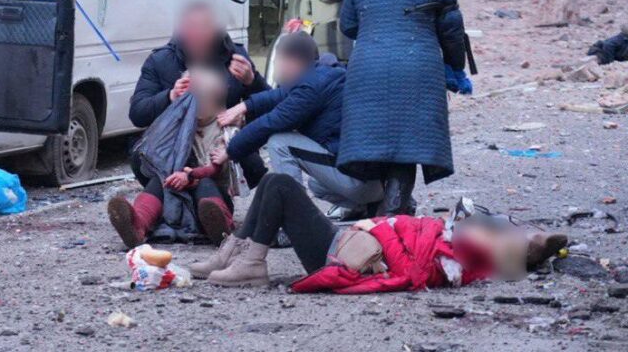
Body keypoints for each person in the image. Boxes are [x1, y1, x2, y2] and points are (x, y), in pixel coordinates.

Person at [189, 173, 567, 290]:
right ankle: (233, 255)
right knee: (274, 180)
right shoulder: (460, 246)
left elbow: (406, 267)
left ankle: (250, 261)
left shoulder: (464, 254)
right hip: (352, 238)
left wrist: (379, 229)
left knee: (282, 185)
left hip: (344, 251)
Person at [337, 0, 466, 216]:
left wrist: (377, 28)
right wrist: (455, 67)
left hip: (368, 68)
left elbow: (348, 25)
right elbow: (452, 31)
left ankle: (390, 210)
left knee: (378, 139)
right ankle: (392, 215)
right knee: (407, 145)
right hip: (417, 67)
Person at [213, 32, 383, 220]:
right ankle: (369, 207)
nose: (276, 65)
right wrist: (244, 107)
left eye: (278, 59)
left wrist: (230, 151)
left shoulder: (312, 87)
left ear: (290, 62)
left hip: (363, 181)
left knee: (280, 142)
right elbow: (279, 97)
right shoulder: (323, 75)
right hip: (374, 179)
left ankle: (296, 220)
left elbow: (271, 123)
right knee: (317, 186)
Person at [129, 1, 270, 187]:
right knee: (140, 159)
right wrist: (171, 96)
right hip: (175, 143)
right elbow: (137, 114)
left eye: (205, 27)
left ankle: (217, 200)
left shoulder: (236, 56)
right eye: (190, 28)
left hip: (221, 142)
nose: (197, 34)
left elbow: (273, 111)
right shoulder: (161, 60)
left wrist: (252, 81)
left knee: (253, 164)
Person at [108, 69, 234, 247]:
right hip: (173, 193)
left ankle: (222, 227)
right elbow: (152, 151)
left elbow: (216, 167)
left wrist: (191, 177)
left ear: (215, 99)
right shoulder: (177, 120)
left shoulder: (225, 127)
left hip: (210, 193)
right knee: (160, 181)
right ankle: (137, 225)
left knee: (205, 185)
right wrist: (173, 96)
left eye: (198, 98)